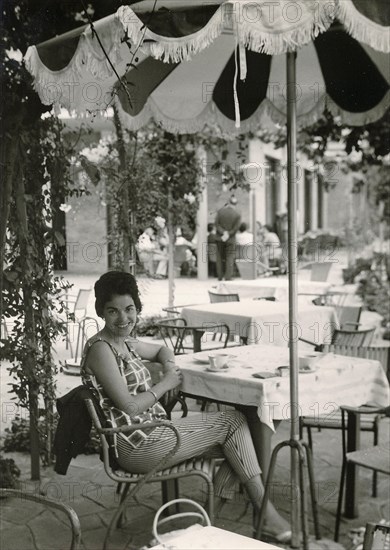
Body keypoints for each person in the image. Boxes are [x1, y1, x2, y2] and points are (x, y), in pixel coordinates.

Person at [80, 271, 291, 542]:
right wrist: (166, 383)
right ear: (101, 312)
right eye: (113, 311)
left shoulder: (124, 343)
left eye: (129, 309)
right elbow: (130, 407)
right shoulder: (101, 349)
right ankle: (258, 514)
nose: (123, 319)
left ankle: (224, 516)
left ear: (137, 308)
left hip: (153, 432)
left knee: (246, 432)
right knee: (233, 422)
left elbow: (161, 351)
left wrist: (168, 364)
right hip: (135, 446)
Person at [215, 196, 241, 281]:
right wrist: (228, 233)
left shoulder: (220, 211)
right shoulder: (237, 214)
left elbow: (217, 224)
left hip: (220, 238)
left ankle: (219, 276)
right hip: (230, 239)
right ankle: (228, 277)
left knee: (219, 257)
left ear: (228, 202)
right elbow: (236, 228)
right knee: (230, 257)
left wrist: (223, 232)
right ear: (236, 204)